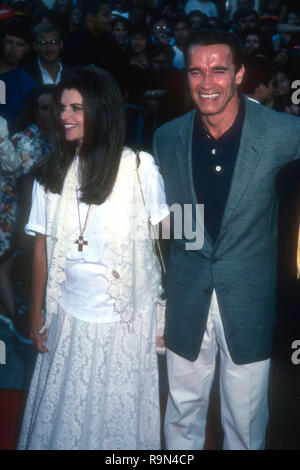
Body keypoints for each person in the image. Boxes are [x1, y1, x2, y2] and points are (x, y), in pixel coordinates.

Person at [153, 28, 300, 450]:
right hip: (186, 295)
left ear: (239, 74)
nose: (206, 83)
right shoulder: (167, 137)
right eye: (196, 71)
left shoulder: (284, 135)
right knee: (182, 413)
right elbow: (175, 222)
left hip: (251, 299)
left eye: (219, 70)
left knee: (246, 420)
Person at [17, 66, 169, 450]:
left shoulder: (139, 168)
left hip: (126, 321)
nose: (64, 115)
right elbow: (41, 248)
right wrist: (36, 313)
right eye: (62, 108)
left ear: (101, 111)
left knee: (115, 421)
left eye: (76, 108)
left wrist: (166, 309)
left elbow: (165, 242)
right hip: (69, 315)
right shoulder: (49, 174)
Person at [25, 21, 71, 85]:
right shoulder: (25, 75)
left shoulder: (72, 74)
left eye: (54, 42)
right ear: (35, 46)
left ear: (61, 44)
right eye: (43, 43)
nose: (49, 48)